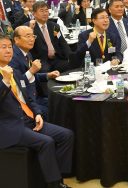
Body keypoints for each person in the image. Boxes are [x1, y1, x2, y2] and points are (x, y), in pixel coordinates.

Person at [0, 33, 73, 188]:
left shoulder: (15, 71)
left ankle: (56, 176)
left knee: (66, 135)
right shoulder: (7, 75)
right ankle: (54, 184)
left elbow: (29, 98)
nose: (8, 50)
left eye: (9, 47)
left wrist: (38, 113)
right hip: (9, 126)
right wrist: (5, 81)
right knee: (47, 142)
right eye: (3, 47)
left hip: (29, 119)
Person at [10, 26, 61, 118]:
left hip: (36, 96)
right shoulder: (12, 57)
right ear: (16, 39)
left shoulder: (27, 53)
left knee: (60, 102)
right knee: (54, 111)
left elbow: (31, 76)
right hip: (26, 101)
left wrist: (48, 75)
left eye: (33, 36)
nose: (32, 39)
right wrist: (31, 70)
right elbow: (15, 85)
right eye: (28, 36)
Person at [28, 1, 71, 72]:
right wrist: (30, 30)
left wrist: (70, 57)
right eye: (41, 11)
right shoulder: (29, 27)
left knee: (69, 65)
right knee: (44, 70)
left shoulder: (54, 26)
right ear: (34, 14)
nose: (45, 13)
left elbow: (62, 42)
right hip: (40, 60)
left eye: (46, 11)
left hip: (56, 58)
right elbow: (27, 45)